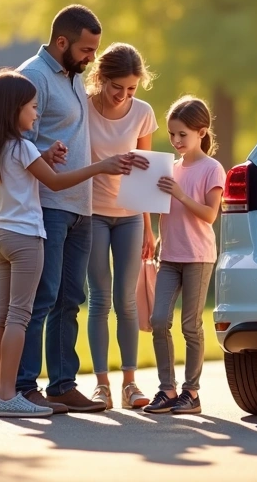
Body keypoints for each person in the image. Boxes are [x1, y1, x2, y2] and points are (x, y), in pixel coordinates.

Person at [0, 70, 136, 418]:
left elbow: (26, 172)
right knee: (20, 314)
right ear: (13, 109)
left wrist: (44, 155)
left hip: (0, 235)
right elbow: (58, 184)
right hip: (27, 238)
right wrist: (100, 166)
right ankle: (8, 396)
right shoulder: (23, 146)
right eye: (32, 107)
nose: (36, 113)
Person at [15, 5, 148, 414]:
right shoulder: (34, 77)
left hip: (81, 207)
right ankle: (24, 386)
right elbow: (19, 141)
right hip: (52, 204)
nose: (92, 56)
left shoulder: (71, 78)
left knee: (70, 298)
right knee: (45, 297)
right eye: (87, 49)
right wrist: (46, 153)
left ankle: (62, 385)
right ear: (62, 42)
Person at [84, 43, 159, 410]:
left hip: (130, 216)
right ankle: (101, 385)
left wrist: (148, 227)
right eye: (118, 87)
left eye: (131, 89)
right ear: (101, 78)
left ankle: (130, 384)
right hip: (93, 214)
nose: (124, 95)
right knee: (99, 299)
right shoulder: (82, 107)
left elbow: (146, 171)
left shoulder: (143, 113)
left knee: (127, 301)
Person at [143, 96, 227, 415]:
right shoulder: (169, 168)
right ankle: (167, 389)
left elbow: (209, 215)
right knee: (158, 319)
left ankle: (191, 392)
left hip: (198, 257)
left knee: (190, 325)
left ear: (201, 132)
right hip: (170, 256)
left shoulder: (211, 169)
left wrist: (179, 193)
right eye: (172, 134)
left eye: (183, 135)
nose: (176, 141)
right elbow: (166, 211)